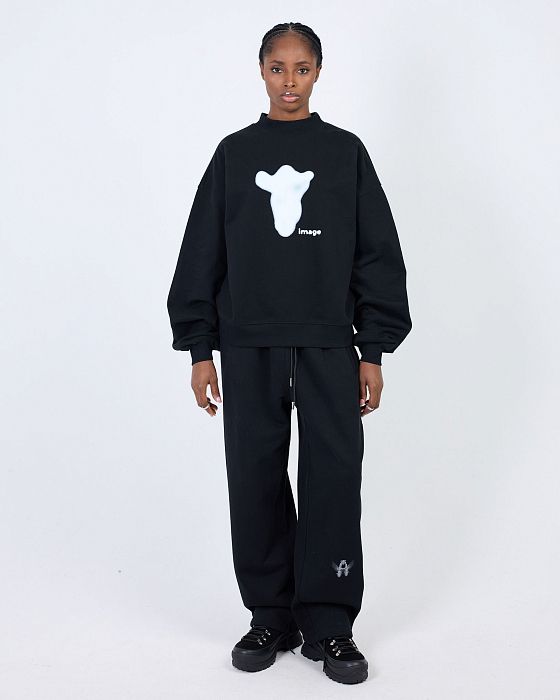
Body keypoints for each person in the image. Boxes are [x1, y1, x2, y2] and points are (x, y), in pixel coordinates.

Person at [166, 21, 412, 685]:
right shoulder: (234, 155)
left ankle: (330, 624)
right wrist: (199, 349)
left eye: (302, 69)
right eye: (278, 68)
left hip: (330, 344)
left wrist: (372, 350)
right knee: (254, 478)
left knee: (333, 479)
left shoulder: (344, 154)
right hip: (249, 345)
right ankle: (270, 615)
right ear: (261, 71)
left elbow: (376, 254)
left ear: (318, 73)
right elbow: (202, 252)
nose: (290, 82)